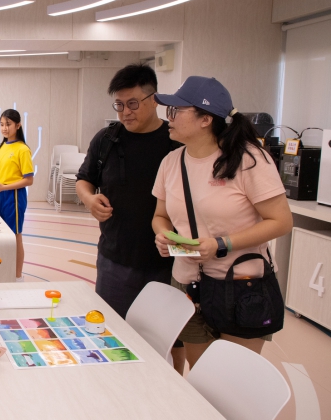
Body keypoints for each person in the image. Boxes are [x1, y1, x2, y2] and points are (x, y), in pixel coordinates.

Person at [151, 76, 292, 366]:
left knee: (233, 380)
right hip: (188, 285)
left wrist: (221, 244)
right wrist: (162, 234)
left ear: (205, 119)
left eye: (176, 110)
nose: (168, 117)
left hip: (241, 288)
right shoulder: (171, 162)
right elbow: (160, 216)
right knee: (201, 377)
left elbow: (280, 221)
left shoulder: (248, 160)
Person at [75, 64, 183, 370]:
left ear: (154, 99)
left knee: (171, 340)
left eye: (133, 103)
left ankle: (171, 387)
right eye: (119, 105)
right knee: (108, 333)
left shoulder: (176, 142)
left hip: (167, 263)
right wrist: (89, 199)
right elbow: (84, 179)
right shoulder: (107, 140)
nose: (125, 112)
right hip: (115, 259)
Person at [0, 109, 34, 281]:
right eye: (1, 124)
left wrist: (4, 187)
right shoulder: (2, 147)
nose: (4, 128)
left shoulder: (22, 149)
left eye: (8, 124)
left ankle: (17, 276)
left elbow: (29, 180)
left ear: (18, 125)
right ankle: (2, 272)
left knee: (15, 236)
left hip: (13, 196)